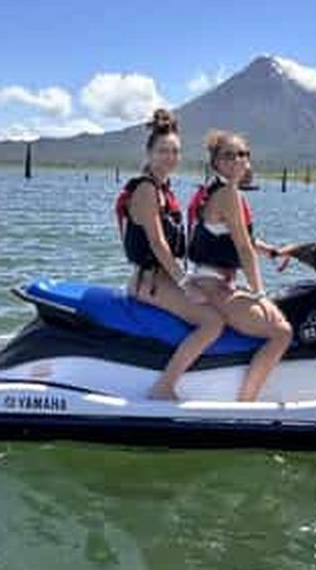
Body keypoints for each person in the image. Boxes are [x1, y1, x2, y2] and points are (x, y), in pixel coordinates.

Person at [115, 110, 224, 400]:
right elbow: (158, 243)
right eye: (163, 150)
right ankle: (164, 387)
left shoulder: (164, 189)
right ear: (149, 153)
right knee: (213, 322)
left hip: (162, 277)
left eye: (175, 151)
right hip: (148, 282)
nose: (170, 157)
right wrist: (186, 284)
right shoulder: (146, 190)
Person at [187, 130, 293, 401]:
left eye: (243, 154)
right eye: (229, 155)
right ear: (216, 162)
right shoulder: (227, 194)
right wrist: (260, 295)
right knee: (282, 332)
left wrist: (270, 252)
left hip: (216, 280)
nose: (237, 160)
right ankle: (246, 404)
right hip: (213, 284)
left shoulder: (220, 190)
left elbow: (241, 238)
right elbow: (244, 250)